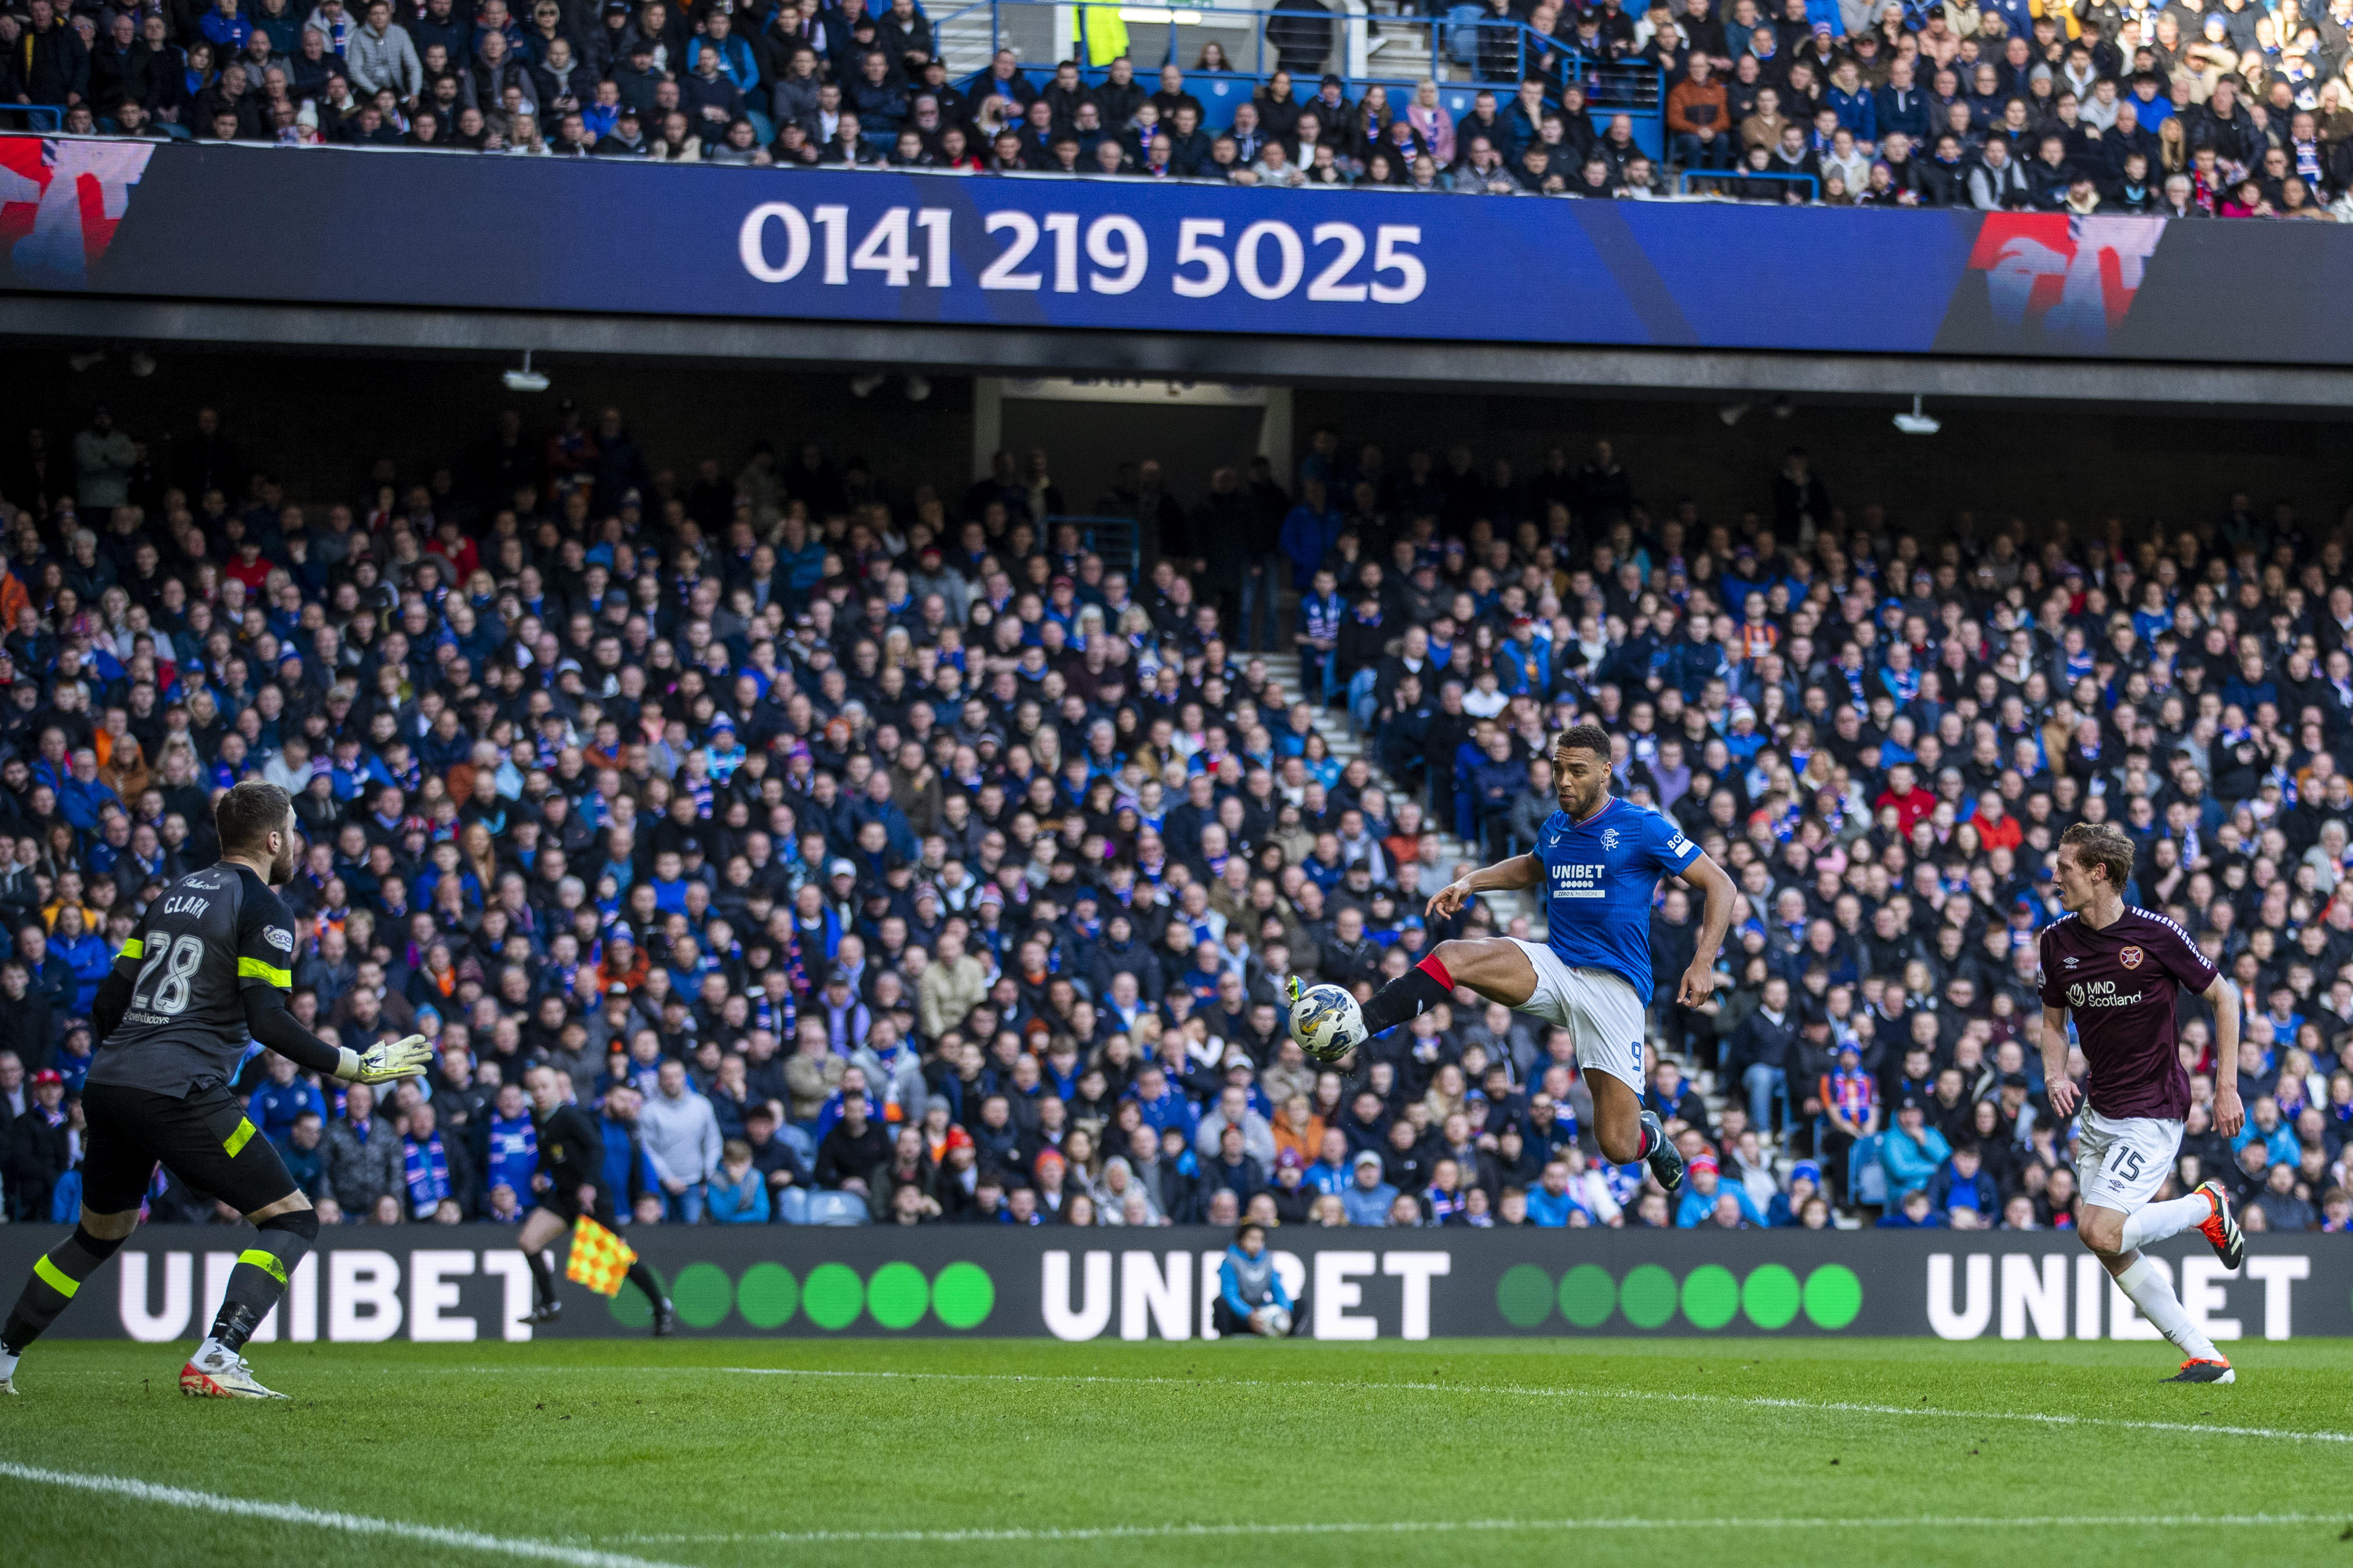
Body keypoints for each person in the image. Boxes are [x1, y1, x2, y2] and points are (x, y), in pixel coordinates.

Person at [0, 781, 430, 1399]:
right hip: (181, 1088)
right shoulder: (263, 907)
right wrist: (354, 1066)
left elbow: (108, 1001)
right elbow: (268, 1019)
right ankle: (217, 1354)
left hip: (112, 1081)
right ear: (274, 837)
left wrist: (127, 1068)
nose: (299, 845)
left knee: (98, 1233)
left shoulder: (171, 895)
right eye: (295, 832)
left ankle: (4, 1354)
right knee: (293, 1218)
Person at [1291, 723, 1734, 1186]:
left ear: (1605, 772)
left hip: (1615, 991)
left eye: (1576, 772)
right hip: (1557, 965)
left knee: (1618, 1145)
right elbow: (1531, 866)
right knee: (1454, 954)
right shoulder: (1556, 826)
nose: (1563, 781)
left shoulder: (1641, 825)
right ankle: (1361, 1024)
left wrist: (1703, 962)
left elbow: (1720, 883)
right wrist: (1472, 881)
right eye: (1558, 769)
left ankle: (1652, 1136)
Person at [2039, 821, 2245, 1384]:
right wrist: (2054, 1073)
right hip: (2097, 1110)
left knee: (2099, 1230)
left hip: (2152, 1109)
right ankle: (2206, 1356)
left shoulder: (2156, 935)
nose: (2054, 875)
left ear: (2097, 872)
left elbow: (2224, 997)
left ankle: (2203, 1207)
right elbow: (2052, 1021)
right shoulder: (2055, 940)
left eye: (2064, 866)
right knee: (2108, 1244)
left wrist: (2224, 1086)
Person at [511, 1062, 674, 1333]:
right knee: (528, 1242)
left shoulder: (570, 1117)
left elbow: (597, 1147)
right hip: (564, 1197)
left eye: (544, 1087)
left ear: (557, 1089)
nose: (538, 1093)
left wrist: (588, 1184)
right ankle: (550, 1304)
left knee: (619, 1259)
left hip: (592, 1197)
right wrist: (541, 1171)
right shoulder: (539, 1118)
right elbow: (549, 1150)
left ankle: (661, 1305)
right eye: (534, 1088)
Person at [1212, 1220, 1295, 1335]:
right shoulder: (1230, 1262)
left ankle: (1287, 1338)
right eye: (1252, 1239)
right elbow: (1230, 1295)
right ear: (1241, 1240)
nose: (1257, 1244)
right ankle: (1226, 1340)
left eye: (1260, 1240)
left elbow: (1278, 1290)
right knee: (1220, 1303)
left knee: (1299, 1304)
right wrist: (1250, 1314)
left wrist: (1285, 1310)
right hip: (1240, 1317)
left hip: (1262, 1314)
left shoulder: (1267, 1260)